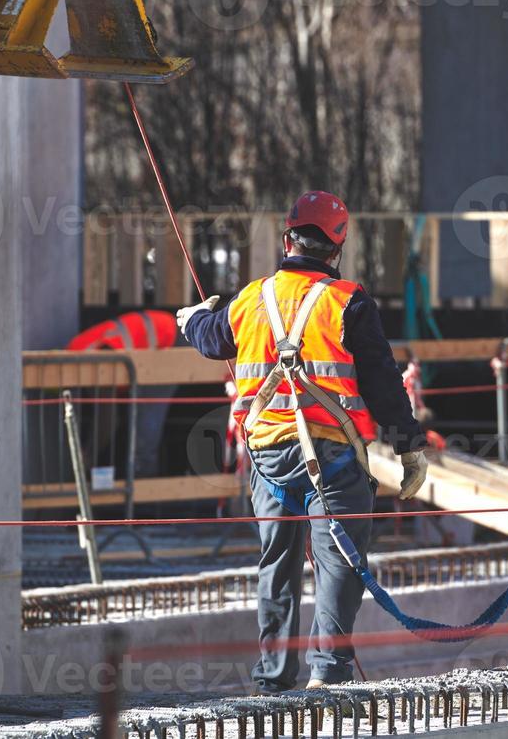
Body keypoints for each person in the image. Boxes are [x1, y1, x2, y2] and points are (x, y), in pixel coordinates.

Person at [178, 191, 429, 693]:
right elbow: (382, 379)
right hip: (333, 456)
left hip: (269, 460)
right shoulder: (349, 302)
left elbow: (211, 337)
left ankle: (272, 679)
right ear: (336, 249)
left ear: (289, 239)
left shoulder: (252, 298)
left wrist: (190, 320)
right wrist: (408, 446)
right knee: (338, 562)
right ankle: (328, 675)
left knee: (277, 563)